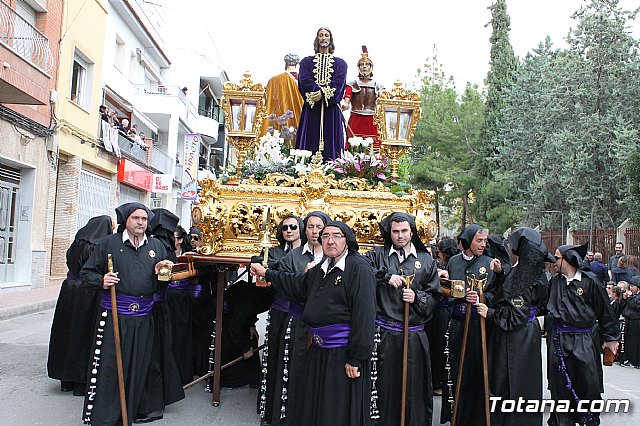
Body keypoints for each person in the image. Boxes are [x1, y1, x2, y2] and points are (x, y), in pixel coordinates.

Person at [250, 221, 376, 426]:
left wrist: (356, 358)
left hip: (342, 353)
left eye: (336, 236)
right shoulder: (321, 268)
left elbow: (364, 316)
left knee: (337, 409)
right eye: (325, 236)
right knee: (316, 405)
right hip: (318, 350)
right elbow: (297, 283)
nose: (330, 241)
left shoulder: (358, 268)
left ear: (348, 240)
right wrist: (267, 273)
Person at [80, 202, 174, 425]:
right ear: (126, 220)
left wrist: (163, 274)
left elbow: (162, 285)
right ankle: (105, 417)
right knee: (109, 367)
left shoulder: (157, 246)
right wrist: (101, 280)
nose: (141, 223)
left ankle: (129, 414)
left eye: (144, 219)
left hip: (143, 318)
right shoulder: (107, 244)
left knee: (138, 367)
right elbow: (86, 274)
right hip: (114, 316)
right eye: (136, 218)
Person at [364, 212, 441, 425]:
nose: (400, 236)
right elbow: (361, 270)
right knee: (383, 386)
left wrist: (417, 297)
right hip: (384, 333)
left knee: (413, 386)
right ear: (389, 233)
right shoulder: (377, 255)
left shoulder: (425, 260)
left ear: (412, 232)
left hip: (413, 335)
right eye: (395, 231)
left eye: (404, 231)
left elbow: (435, 295)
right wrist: (386, 276)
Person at [476, 227, 553, 426]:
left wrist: (490, 312)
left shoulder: (522, 275)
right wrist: (502, 274)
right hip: (528, 334)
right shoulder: (535, 272)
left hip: (515, 338)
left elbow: (515, 315)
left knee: (511, 384)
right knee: (526, 385)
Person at [259, 211, 330, 425]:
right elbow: (286, 286)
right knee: (293, 369)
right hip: (299, 321)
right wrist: (306, 277)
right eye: (310, 226)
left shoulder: (334, 255)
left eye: (319, 227)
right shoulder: (293, 256)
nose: (315, 231)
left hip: (326, 326)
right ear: (304, 229)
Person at [546, 244, 620, 426]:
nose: (554, 262)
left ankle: (589, 420)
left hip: (584, 340)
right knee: (559, 385)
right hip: (558, 340)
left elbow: (605, 312)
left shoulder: (590, 282)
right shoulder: (555, 282)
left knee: (588, 383)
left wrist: (611, 339)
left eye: (557, 257)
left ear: (568, 259)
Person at [440, 224, 499, 426]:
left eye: (485, 241)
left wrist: (481, 296)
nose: (483, 244)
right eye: (479, 240)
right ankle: (457, 416)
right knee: (457, 371)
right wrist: (454, 291)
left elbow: (496, 293)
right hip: (457, 324)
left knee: (478, 372)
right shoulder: (453, 262)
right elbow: (446, 291)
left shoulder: (490, 263)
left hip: (479, 326)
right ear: (468, 241)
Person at [48, 215, 114, 396]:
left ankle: (66, 380)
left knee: (67, 333)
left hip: (69, 292)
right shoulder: (97, 247)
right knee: (85, 336)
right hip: (89, 293)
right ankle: (80, 381)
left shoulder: (76, 244)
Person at [136, 209, 185, 422]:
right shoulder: (165, 244)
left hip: (151, 308)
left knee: (151, 358)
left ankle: (151, 405)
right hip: (159, 307)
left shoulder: (156, 246)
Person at [258, 214, 306, 425]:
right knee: (274, 359)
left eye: (293, 227)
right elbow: (260, 262)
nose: (289, 230)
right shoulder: (275, 251)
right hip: (279, 312)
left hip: (298, 315)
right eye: (285, 227)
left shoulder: (307, 253)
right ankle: (271, 408)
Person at [295, 27, 348, 162]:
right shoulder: (306, 62)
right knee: (309, 140)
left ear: (330, 39)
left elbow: (340, 82)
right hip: (312, 109)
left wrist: (324, 93)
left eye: (326, 35)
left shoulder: (340, 64)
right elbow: (304, 79)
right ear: (317, 39)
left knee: (331, 143)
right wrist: (316, 91)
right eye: (321, 35)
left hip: (331, 110)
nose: (323, 38)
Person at [342, 46, 384, 149]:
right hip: (356, 118)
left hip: (373, 120)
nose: (364, 67)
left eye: (366, 64)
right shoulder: (351, 85)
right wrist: (344, 106)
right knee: (353, 148)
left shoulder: (379, 87)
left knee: (374, 149)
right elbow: (346, 101)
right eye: (361, 65)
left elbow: (383, 103)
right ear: (358, 67)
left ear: (371, 67)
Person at [261, 53, 304, 141]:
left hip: (279, 125)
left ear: (285, 63)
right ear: (296, 64)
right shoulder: (305, 81)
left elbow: (268, 106)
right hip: (302, 121)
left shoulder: (274, 81)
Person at [621, 276, 640, 368]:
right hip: (630, 320)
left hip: (636, 322)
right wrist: (625, 299)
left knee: (634, 342)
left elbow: (636, 306)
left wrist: (629, 299)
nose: (631, 288)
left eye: (633, 286)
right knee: (628, 341)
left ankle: (634, 360)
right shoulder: (632, 296)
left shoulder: (635, 298)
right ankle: (627, 358)